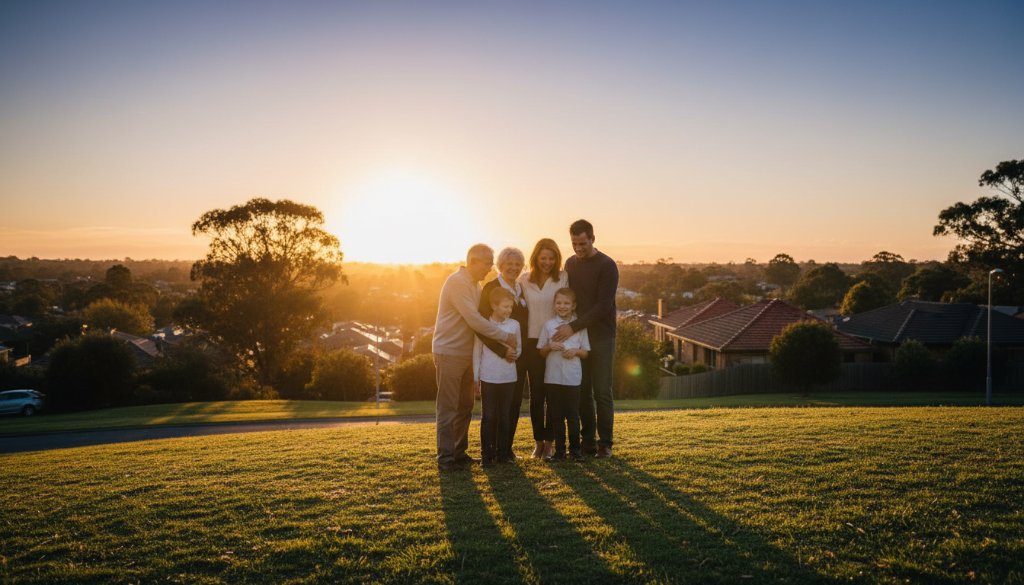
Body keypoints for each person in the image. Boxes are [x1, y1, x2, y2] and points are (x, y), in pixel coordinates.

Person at [433, 244, 517, 471]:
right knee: (448, 407)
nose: (490, 268)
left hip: (467, 353)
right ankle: (446, 459)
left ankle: (459, 453)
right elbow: (474, 319)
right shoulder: (458, 282)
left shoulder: (475, 285)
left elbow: (482, 318)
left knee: (465, 406)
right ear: (472, 261)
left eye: (491, 263)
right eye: (487, 263)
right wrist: (504, 336)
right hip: (449, 352)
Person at [554, 219, 618, 458]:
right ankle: (588, 441)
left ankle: (605, 443)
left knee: (602, 391)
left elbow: (603, 306)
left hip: (601, 336)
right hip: (578, 336)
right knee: (582, 390)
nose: (579, 248)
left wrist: (573, 326)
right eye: (574, 243)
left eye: (582, 243)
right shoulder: (570, 263)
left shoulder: (607, 265)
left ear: (593, 239)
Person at [517, 238, 569, 458]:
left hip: (555, 341)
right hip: (531, 343)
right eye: (543, 258)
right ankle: (538, 442)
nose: (547, 262)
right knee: (537, 396)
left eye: (551, 258)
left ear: (557, 259)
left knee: (554, 395)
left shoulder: (564, 278)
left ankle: (550, 442)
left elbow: (569, 306)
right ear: (535, 258)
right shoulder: (523, 280)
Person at [476, 247, 529, 460]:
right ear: (500, 266)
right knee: (493, 411)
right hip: (497, 356)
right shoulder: (490, 288)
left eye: (518, 265)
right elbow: (480, 326)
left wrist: (516, 352)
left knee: (512, 405)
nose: (514, 268)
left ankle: (506, 450)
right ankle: (491, 450)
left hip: (517, 356)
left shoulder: (521, 288)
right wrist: (501, 351)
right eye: (509, 264)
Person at [538, 287, 590, 461]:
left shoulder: (579, 326)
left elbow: (586, 352)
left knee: (573, 416)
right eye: (559, 303)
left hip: (572, 378)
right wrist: (549, 347)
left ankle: (575, 451)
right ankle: (559, 452)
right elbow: (541, 351)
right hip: (552, 378)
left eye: (566, 303)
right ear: (554, 305)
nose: (562, 306)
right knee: (556, 416)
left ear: (573, 305)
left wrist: (575, 351)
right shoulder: (548, 325)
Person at [473, 287, 522, 466]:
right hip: (488, 377)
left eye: (510, 307)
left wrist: (514, 354)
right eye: (505, 307)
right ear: (494, 305)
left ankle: (503, 455)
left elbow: (519, 347)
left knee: (504, 416)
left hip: (509, 376)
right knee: (489, 416)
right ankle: (486, 455)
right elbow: (477, 352)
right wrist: (475, 377)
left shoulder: (514, 325)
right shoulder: (485, 324)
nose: (508, 310)